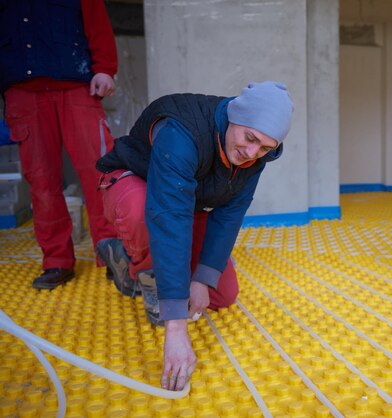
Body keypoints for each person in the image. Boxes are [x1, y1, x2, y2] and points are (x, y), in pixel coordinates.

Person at [95, 81, 293, 390]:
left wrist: (201, 280)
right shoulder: (182, 131)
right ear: (234, 117)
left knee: (222, 294)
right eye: (249, 138)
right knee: (141, 212)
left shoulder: (255, 156)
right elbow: (169, 217)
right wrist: (176, 327)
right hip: (133, 184)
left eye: (265, 148)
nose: (251, 153)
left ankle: (124, 262)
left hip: (186, 200)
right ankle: (140, 266)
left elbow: (229, 215)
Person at [0, 0, 118, 289]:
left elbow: (98, 24)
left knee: (102, 173)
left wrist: (105, 68)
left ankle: (114, 254)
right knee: (41, 182)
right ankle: (56, 261)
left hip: (78, 87)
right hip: (23, 93)